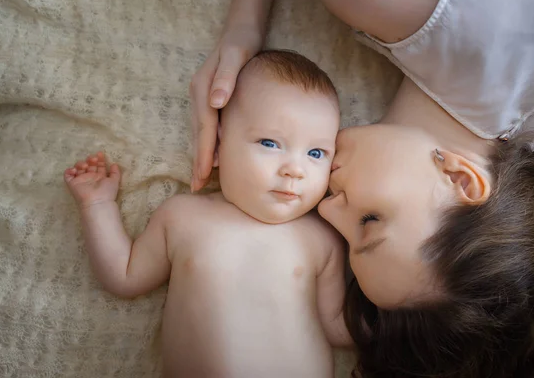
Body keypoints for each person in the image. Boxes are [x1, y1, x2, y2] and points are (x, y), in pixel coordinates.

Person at [189, 0, 534, 377]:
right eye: (369, 221)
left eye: (347, 241)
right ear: (461, 179)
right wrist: (244, 26)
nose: (327, 209)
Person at [64, 50, 351, 378]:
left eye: (316, 153)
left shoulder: (322, 237)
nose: (295, 169)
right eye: (270, 143)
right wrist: (97, 205)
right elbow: (125, 276)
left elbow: (339, 328)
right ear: (215, 147)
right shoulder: (183, 216)